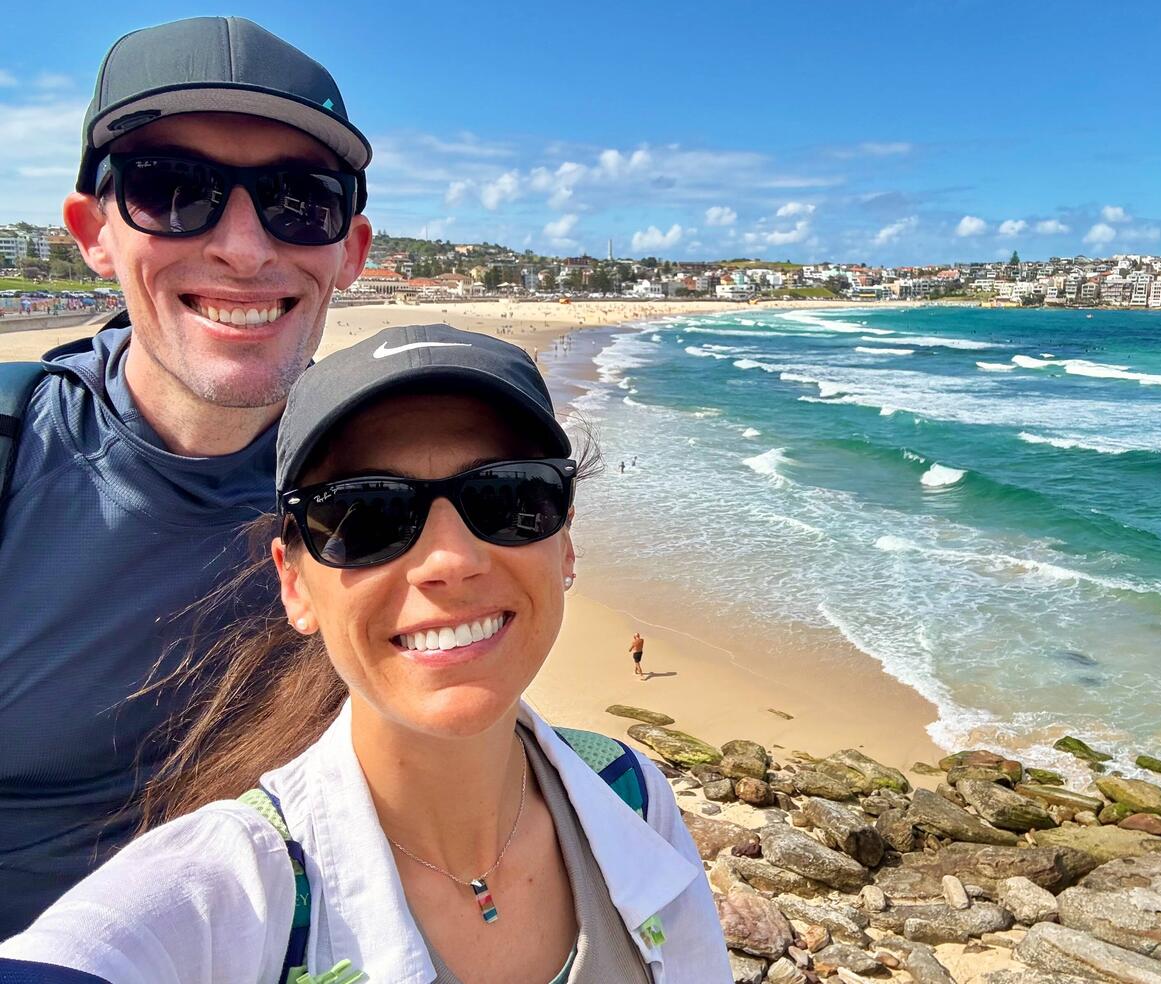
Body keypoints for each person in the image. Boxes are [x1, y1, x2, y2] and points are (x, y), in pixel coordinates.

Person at [0, 325, 730, 982]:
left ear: (564, 543)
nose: (450, 559)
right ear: (295, 585)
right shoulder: (222, 895)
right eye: (366, 513)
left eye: (511, 498)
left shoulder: (631, 795)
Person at [0, 16, 373, 936]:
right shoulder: (14, 461)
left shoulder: (388, 484)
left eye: (300, 200)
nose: (245, 249)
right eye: (175, 191)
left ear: (349, 251)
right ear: (92, 232)